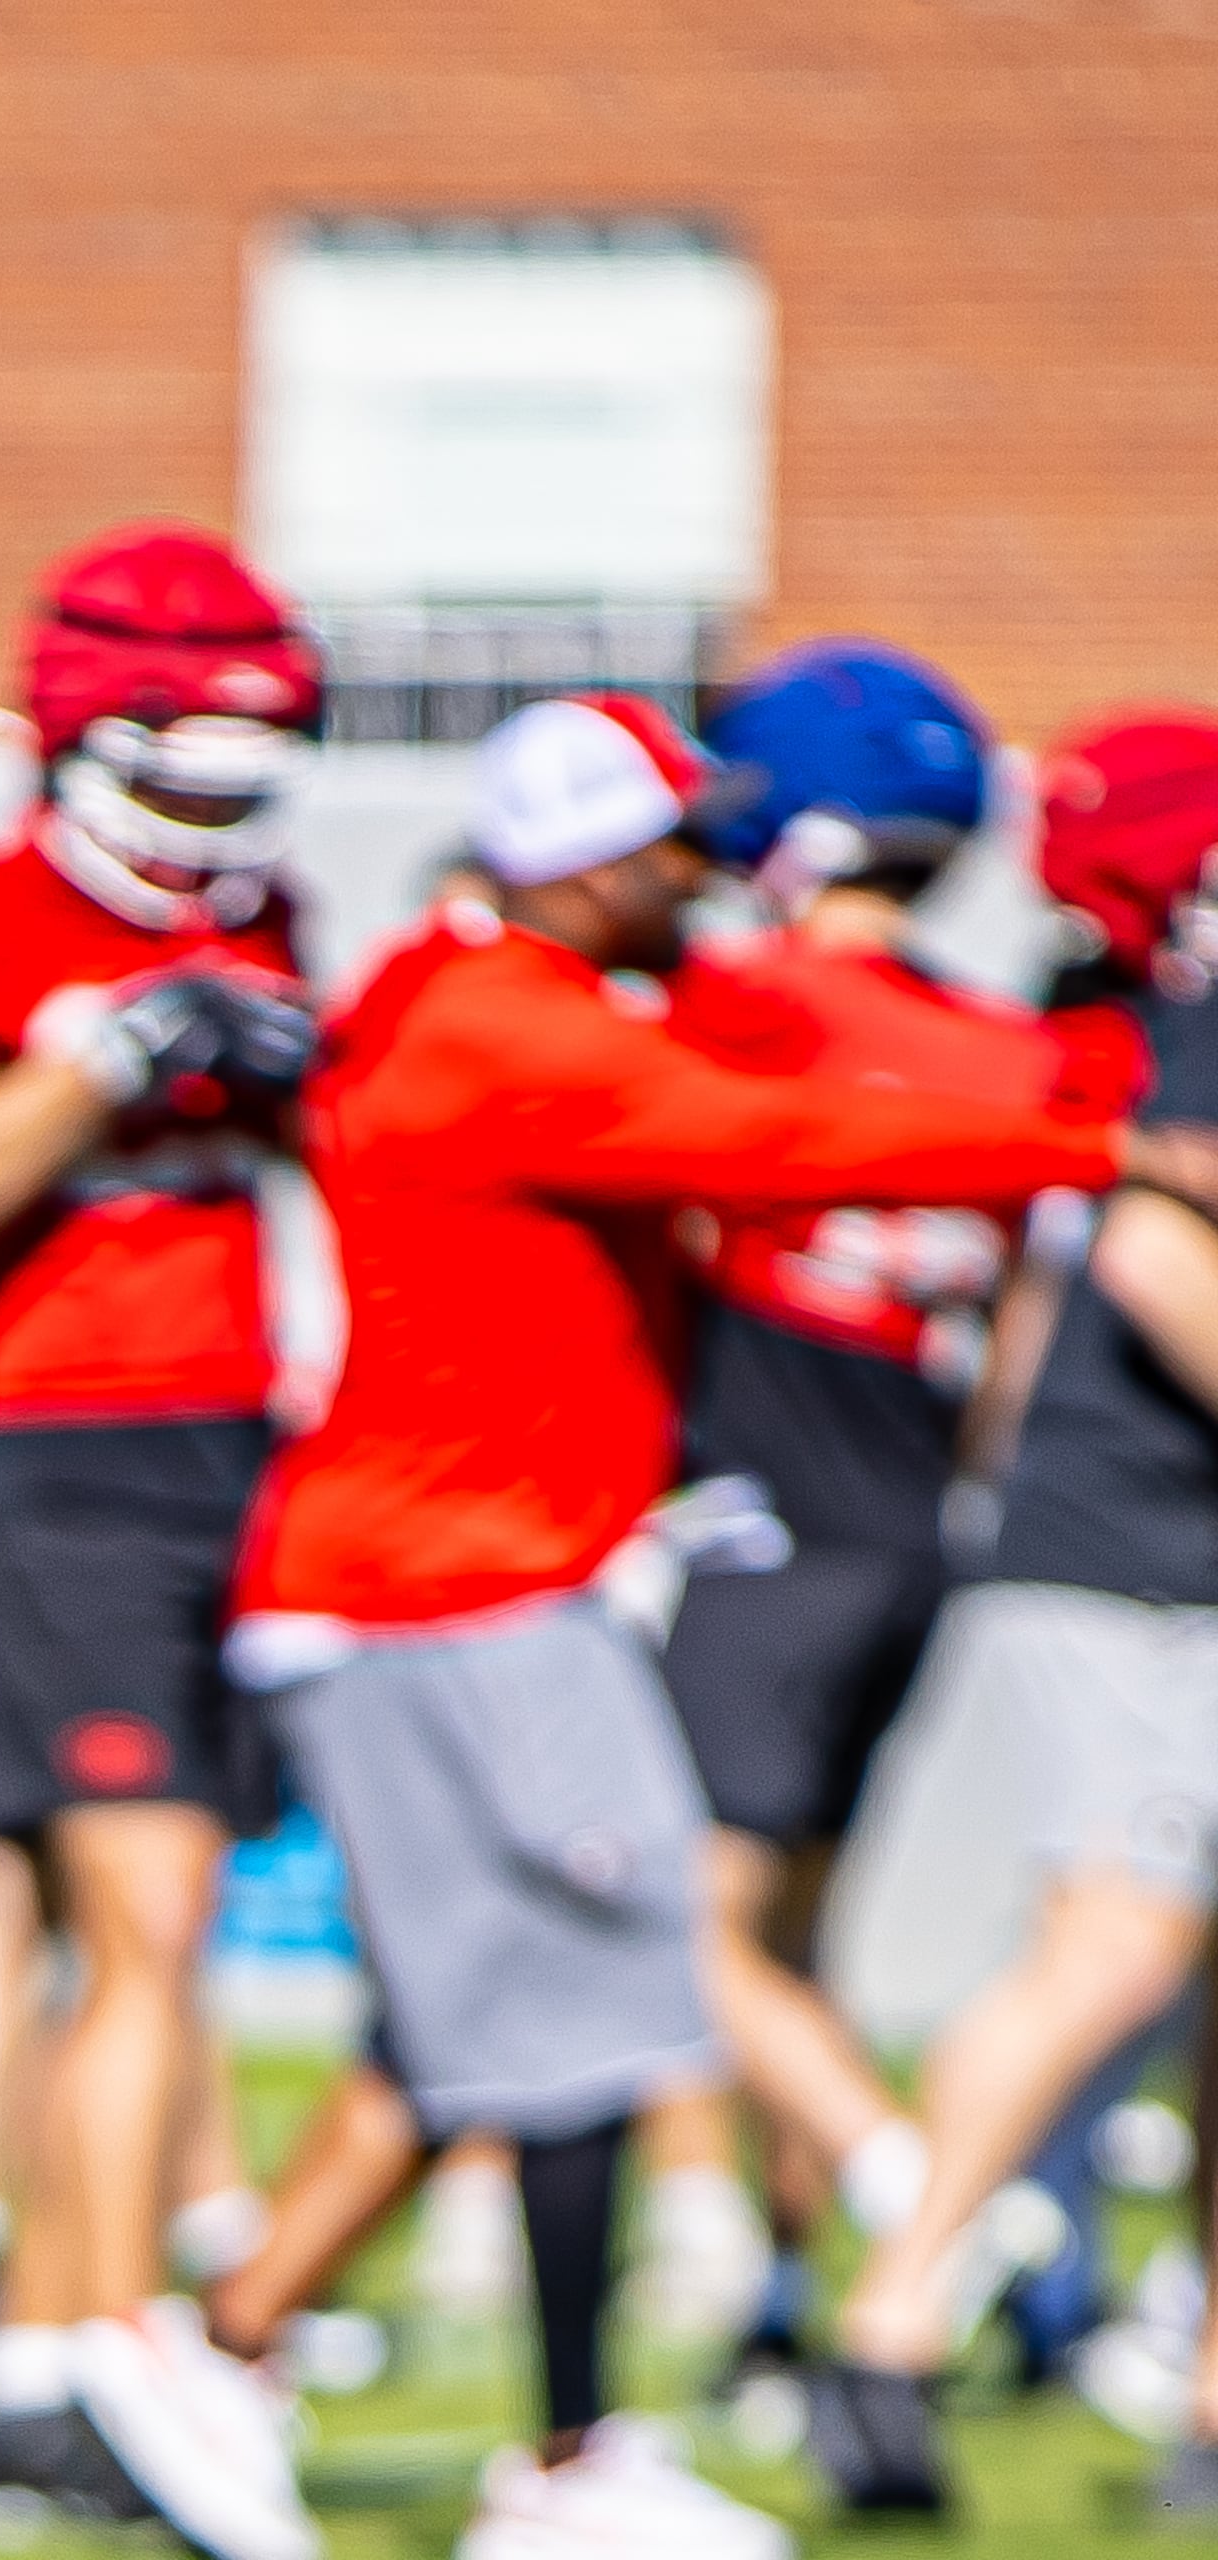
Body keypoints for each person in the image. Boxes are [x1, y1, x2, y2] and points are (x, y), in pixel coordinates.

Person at [227, 692, 1209, 2560]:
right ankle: (534, 2435)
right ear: (590, 867)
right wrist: (1111, 1152)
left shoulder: (537, 1001)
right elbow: (775, 1133)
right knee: (576, 1999)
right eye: (678, 847)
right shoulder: (509, 1025)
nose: (713, 877)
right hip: (448, 1578)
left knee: (505, 2025)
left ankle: (281, 2364)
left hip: (492, 1573)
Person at [0, 523, 320, 2539]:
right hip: (68, 1460)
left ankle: (44, 2356)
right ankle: (125, 2350)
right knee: (148, 1915)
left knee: (102, 1922)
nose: (210, 821)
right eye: (180, 771)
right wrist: (95, 1058)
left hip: (238, 1448)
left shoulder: (272, 909)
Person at [654, 643, 1142, 2381]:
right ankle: (784, 2301)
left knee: (681, 1918)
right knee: (799, 1931)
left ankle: (920, 2196)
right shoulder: (1019, 1051)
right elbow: (1011, 1337)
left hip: (759, 1503)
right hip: (912, 1515)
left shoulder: (745, 1004)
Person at [814, 708, 1218, 2518]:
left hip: (1160, 1549)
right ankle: (889, 2323)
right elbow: (1146, 1258)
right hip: (1124, 1550)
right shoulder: (1155, 1028)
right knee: (1116, 1941)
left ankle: (1209, 2391)